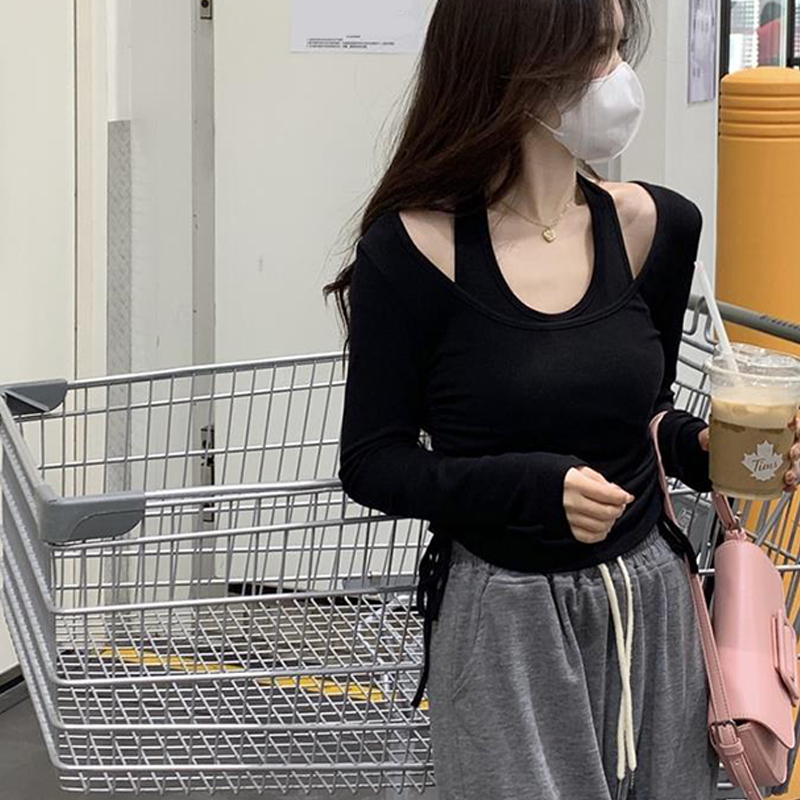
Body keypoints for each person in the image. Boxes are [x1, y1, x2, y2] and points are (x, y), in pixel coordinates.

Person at [322, 1, 800, 797]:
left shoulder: (656, 226)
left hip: (654, 608)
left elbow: (642, 415)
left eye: (617, 47)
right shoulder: (410, 251)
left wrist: (707, 448)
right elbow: (373, 463)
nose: (617, 77)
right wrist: (530, 487)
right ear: (514, 67)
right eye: (593, 51)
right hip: (505, 624)